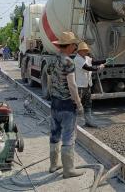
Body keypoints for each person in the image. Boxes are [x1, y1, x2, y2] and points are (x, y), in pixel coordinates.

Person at [47, 32, 84, 178]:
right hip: (67, 105)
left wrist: (52, 93)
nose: (75, 47)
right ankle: (68, 170)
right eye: (74, 45)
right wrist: (79, 104)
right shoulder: (69, 62)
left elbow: (49, 78)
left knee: (54, 134)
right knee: (69, 136)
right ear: (68, 46)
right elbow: (72, 85)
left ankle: (53, 165)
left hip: (54, 103)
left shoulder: (53, 60)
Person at [74, 42, 106, 128]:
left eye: (86, 50)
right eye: (84, 50)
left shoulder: (87, 58)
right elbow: (87, 68)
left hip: (87, 84)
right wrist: (99, 68)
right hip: (80, 85)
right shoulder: (77, 59)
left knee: (88, 103)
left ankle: (88, 121)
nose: (85, 52)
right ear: (79, 51)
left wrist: (106, 60)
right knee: (78, 104)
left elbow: (95, 62)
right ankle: (75, 123)